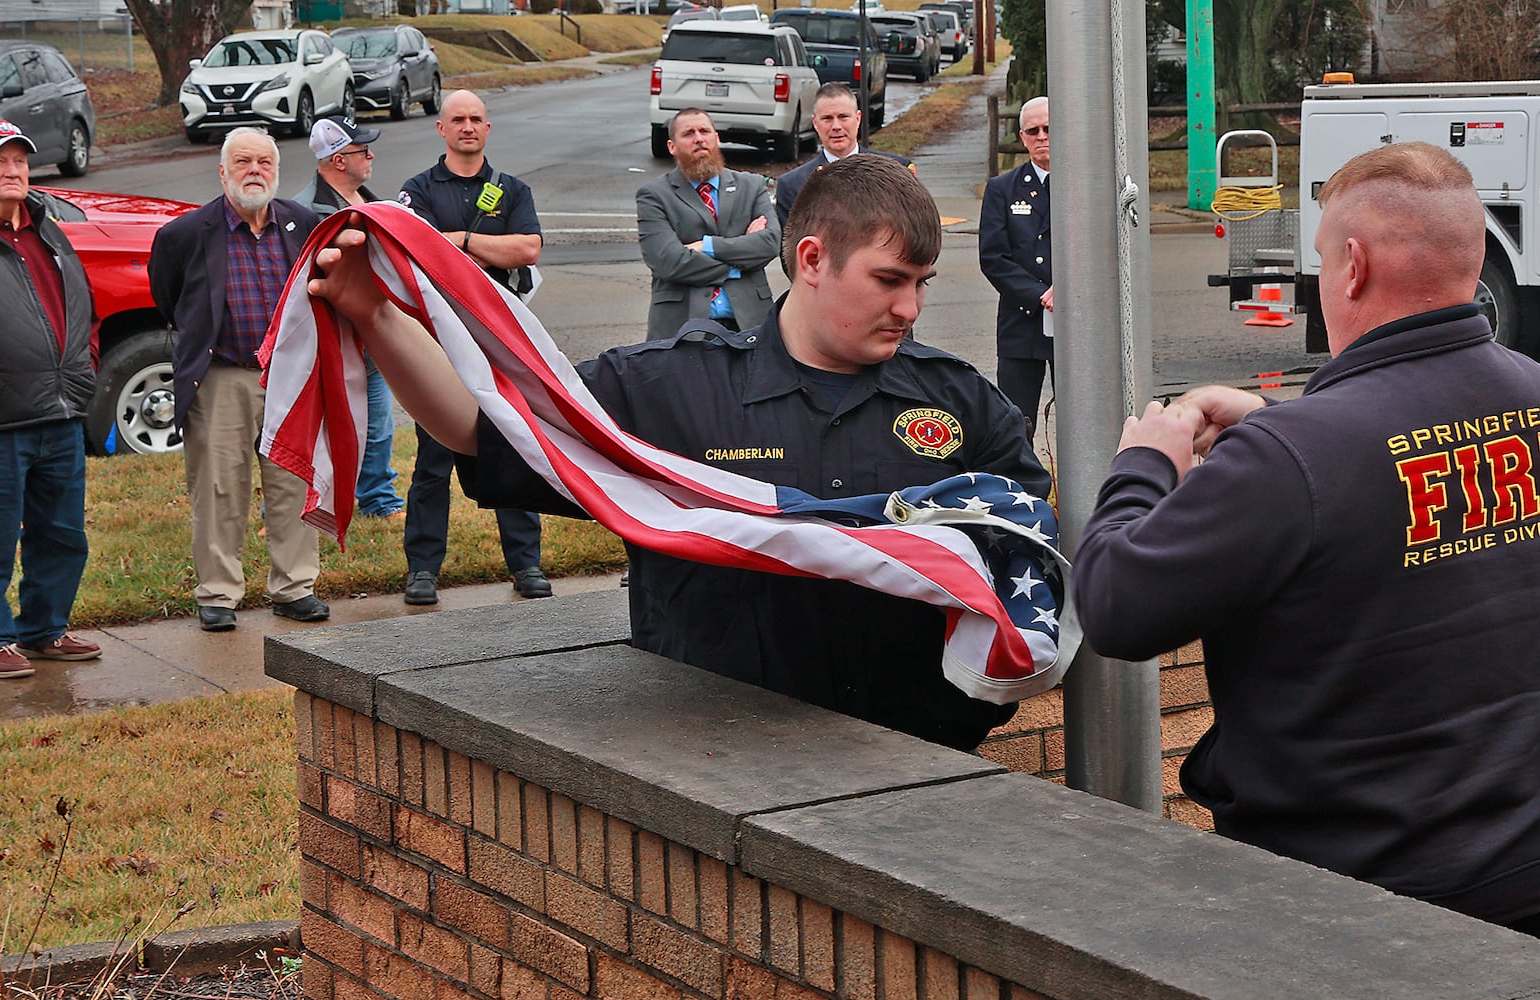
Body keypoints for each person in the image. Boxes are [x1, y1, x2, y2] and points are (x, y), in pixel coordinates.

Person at [309, 154, 1046, 752]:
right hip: (715, 764)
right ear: (814, 259)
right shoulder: (671, 386)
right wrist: (373, 314)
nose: (909, 308)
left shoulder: (959, 403)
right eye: (889, 280)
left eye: (921, 284)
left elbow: (1030, 556)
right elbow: (485, 427)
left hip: (915, 759)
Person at [1073, 142, 1540, 949]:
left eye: (1319, 257)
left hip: (1355, 904)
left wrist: (1146, 462)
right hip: (1537, 875)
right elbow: (1391, 471)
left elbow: (1113, 604)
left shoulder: (1295, 460)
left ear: (1351, 266)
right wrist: (1279, 427)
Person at [149, 127, 329, 633]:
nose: (255, 171)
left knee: (293, 483)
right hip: (222, 378)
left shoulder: (303, 224)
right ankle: (218, 595)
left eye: (265, 162)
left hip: (288, 379)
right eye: (244, 162)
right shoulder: (185, 234)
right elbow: (169, 299)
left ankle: (295, 587)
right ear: (223, 172)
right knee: (218, 488)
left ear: (277, 169)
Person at [396, 90, 549, 605]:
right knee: (433, 460)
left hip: (500, 342)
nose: (468, 126)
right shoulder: (416, 191)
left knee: (514, 449)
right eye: (457, 119)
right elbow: (412, 250)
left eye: (476, 119)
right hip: (439, 344)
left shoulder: (511, 189)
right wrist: (482, 245)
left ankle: (527, 565)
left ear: (488, 128)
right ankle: (421, 572)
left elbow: (527, 247)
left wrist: (459, 241)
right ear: (441, 129)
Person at [0, 119, 101, 678]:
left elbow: (82, 309)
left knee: (62, 534)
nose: (13, 171)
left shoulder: (46, 232)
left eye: (20, 161)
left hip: (60, 412)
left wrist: (84, 367)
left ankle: (44, 629)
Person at [291, 115, 404, 520]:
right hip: (329, 342)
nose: (371, 154)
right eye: (362, 149)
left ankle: (378, 498)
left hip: (370, 338)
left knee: (378, 426)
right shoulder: (305, 211)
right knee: (314, 428)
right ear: (339, 160)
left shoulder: (372, 203)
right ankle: (292, 504)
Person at [636, 108, 779, 341]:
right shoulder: (654, 195)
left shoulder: (751, 186)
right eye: (689, 133)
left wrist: (706, 246)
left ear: (717, 138)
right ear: (672, 146)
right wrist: (740, 264)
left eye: (705, 131)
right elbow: (668, 261)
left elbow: (770, 243)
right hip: (683, 329)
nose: (699, 138)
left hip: (749, 325)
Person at [978, 96, 1052, 439]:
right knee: (1016, 424)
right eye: (1033, 130)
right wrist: (1040, 294)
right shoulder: (1002, 189)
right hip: (1021, 323)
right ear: (1022, 137)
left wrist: (1069, 290)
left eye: (1049, 129)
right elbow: (992, 257)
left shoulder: (1086, 185)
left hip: (1075, 324)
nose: (1042, 136)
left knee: (1086, 419)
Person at [774, 83, 915, 228]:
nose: (836, 126)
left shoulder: (896, 171)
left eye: (843, 117)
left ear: (858, 118)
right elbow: (792, 247)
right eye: (827, 118)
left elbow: (914, 234)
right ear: (815, 123)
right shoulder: (793, 186)